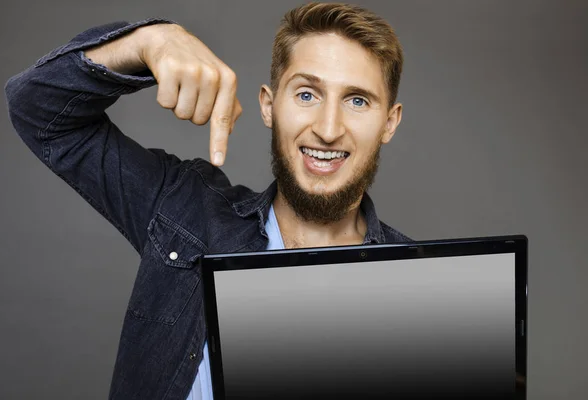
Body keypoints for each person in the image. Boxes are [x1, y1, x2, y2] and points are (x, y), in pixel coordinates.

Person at [5, 2, 411, 399]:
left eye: (357, 100)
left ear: (389, 122)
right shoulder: (183, 209)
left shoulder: (413, 289)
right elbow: (38, 110)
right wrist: (149, 40)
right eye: (307, 94)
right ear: (269, 106)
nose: (327, 129)